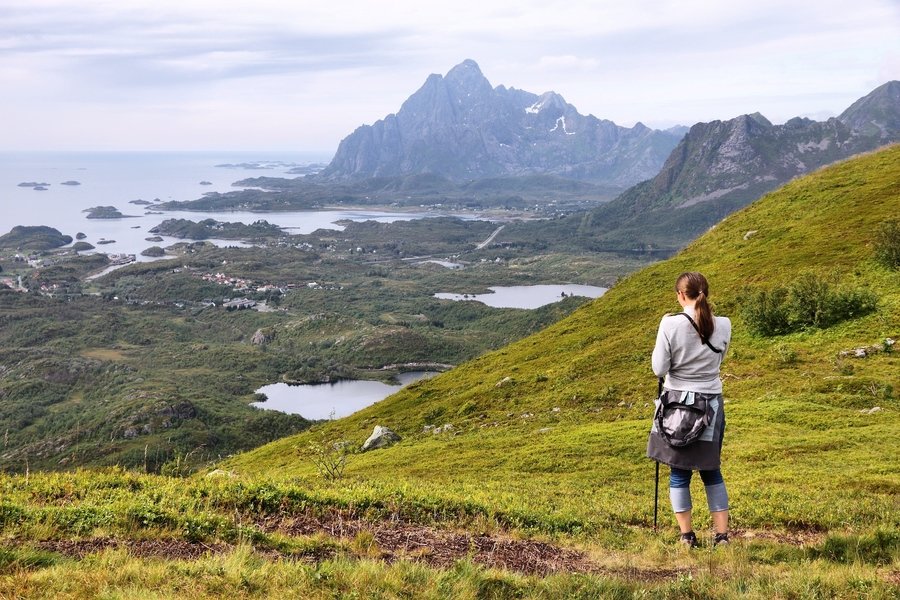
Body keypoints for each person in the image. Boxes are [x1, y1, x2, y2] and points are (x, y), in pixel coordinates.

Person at [647, 272, 732, 548]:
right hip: (711, 405)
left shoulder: (669, 324)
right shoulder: (725, 325)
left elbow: (659, 369)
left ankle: (687, 537)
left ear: (681, 295)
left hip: (677, 408)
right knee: (711, 470)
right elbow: (719, 360)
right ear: (705, 293)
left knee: (679, 472)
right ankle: (721, 537)